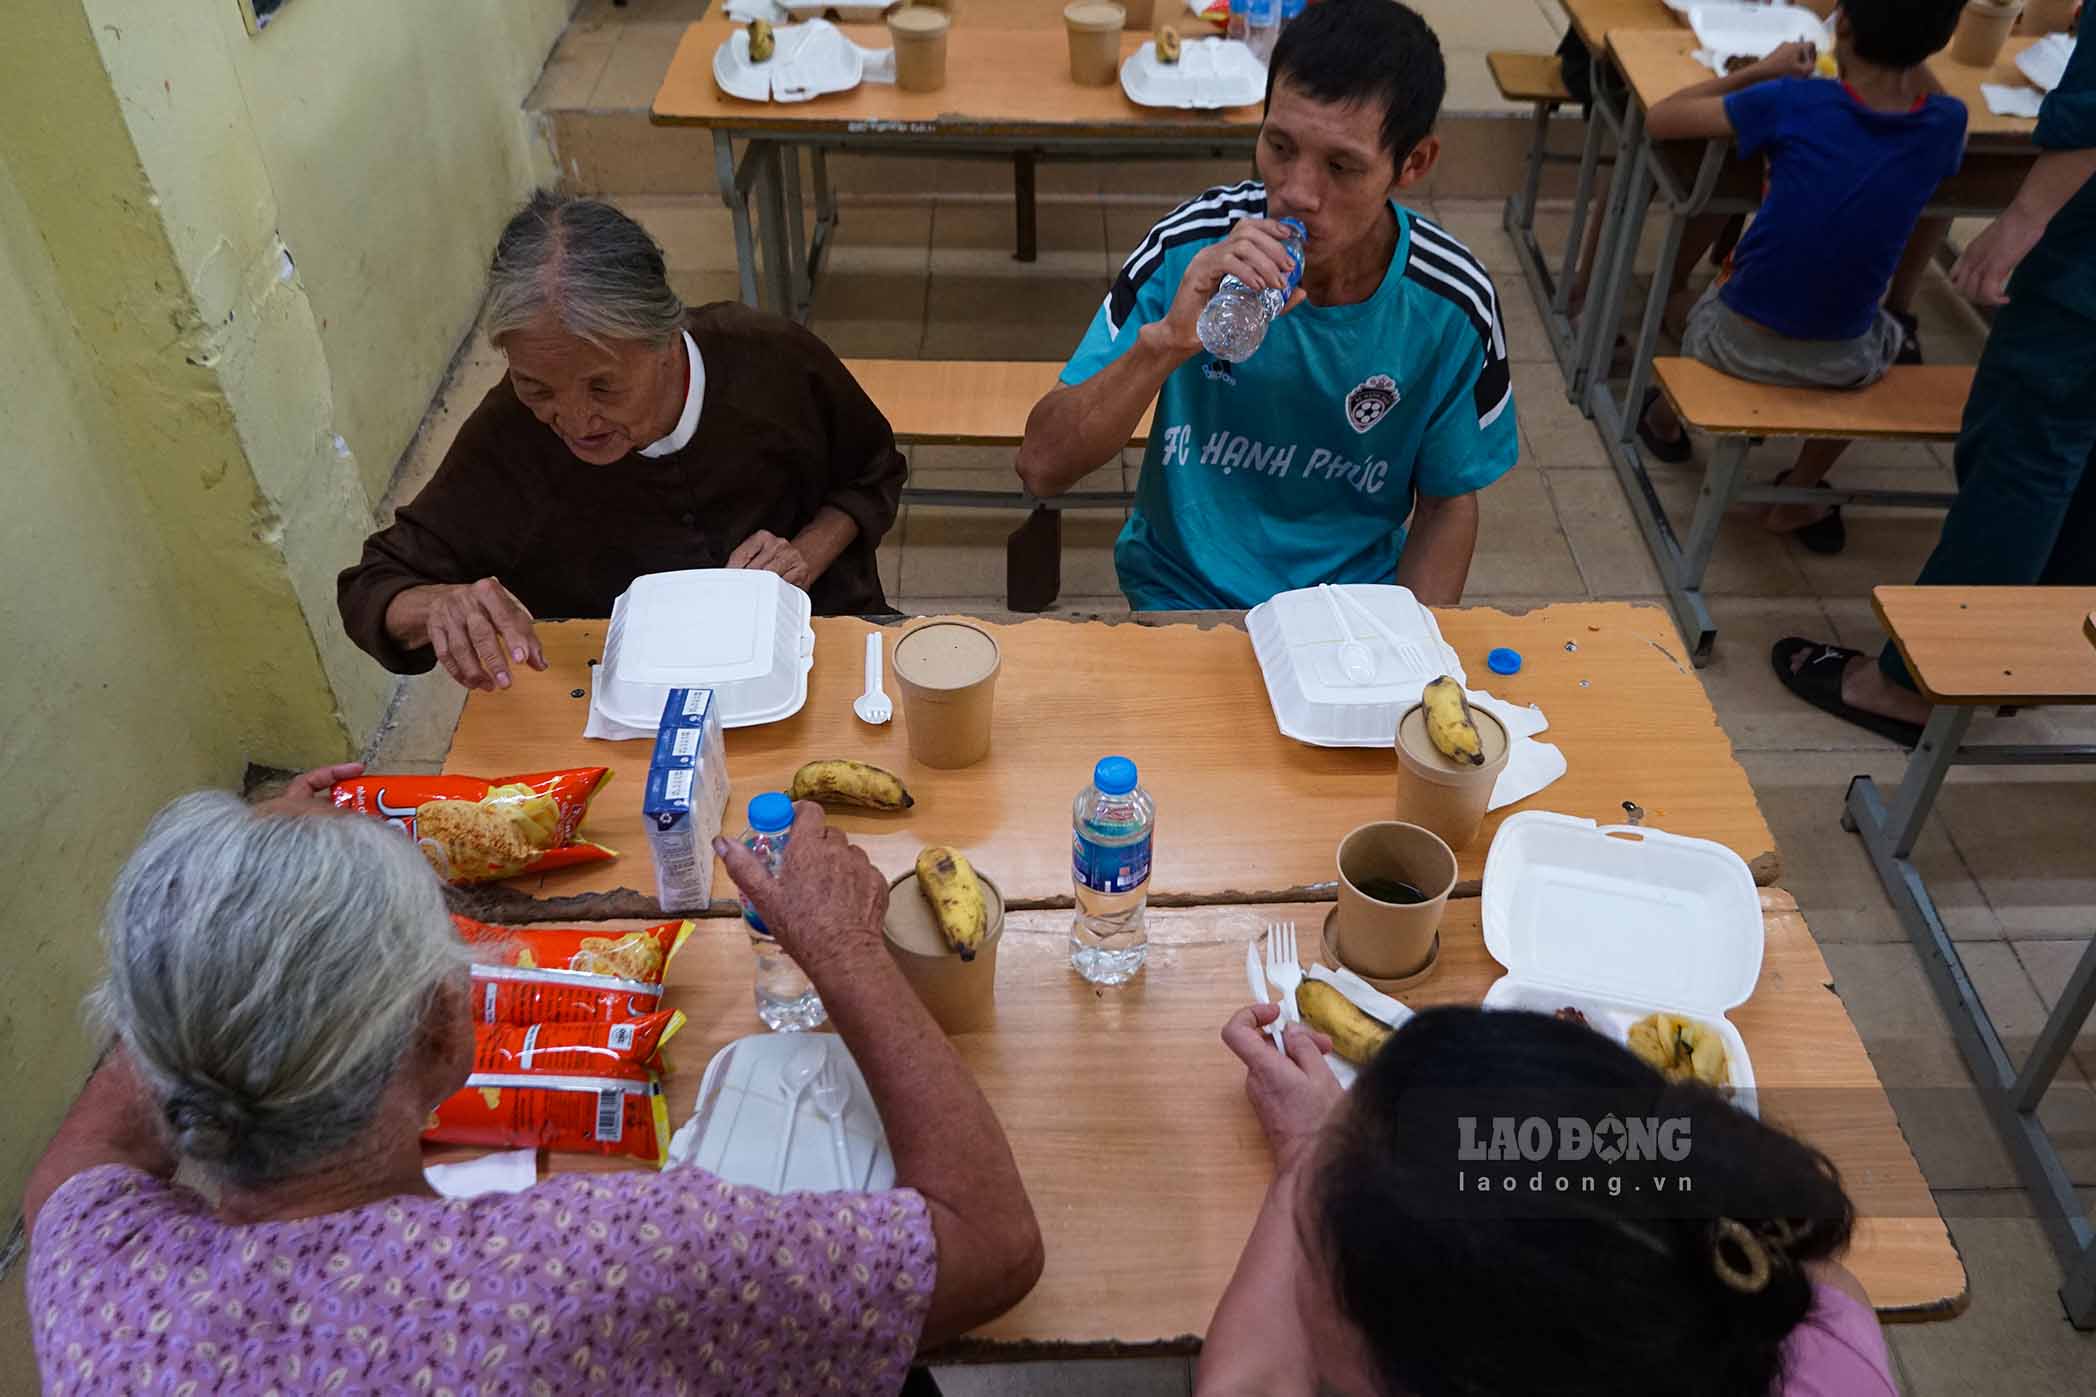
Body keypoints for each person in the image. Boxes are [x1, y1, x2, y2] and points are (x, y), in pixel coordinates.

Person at [24, 779, 1042, 1394]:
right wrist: (844, 948)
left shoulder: (97, 1279)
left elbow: (88, 1158)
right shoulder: (590, 1264)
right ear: (437, 1026)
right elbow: (989, 1245)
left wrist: (220, 921)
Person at [1014, 0, 1518, 611]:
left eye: (1341, 166)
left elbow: (1446, 503)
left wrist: (1402, 652)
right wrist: (1170, 339)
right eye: (1279, 147)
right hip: (1182, 597)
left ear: (1413, 163)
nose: (1297, 193)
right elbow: (1042, 466)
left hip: (1349, 611)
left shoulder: (1451, 303)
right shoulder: (1189, 248)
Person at [338, 192, 906, 692]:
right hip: (630, 705)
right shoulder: (510, 434)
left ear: (664, 339)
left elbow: (871, 470)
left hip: (820, 645)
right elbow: (373, 584)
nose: (574, 419)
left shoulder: (769, 360)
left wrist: (804, 557)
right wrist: (438, 605)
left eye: (604, 386)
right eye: (536, 387)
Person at [1199, 1004, 1892, 1396]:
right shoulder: (1820, 1332)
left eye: (1313, 1267)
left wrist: (1302, 1165)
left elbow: (1245, 1385)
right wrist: (1331, 1146)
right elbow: (1833, 1280)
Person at [1777, 18, 2096, 743]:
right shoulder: (1940, 118)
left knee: (2026, 457)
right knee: (2078, 451)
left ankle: (1913, 685)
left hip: (2084, 274)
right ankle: (2032, 652)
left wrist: (2023, 218)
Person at [1634, 0, 1969, 556]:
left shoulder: (1793, 101)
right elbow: (1939, 99)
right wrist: (1915, 50)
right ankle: (1800, 490)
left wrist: (1762, 69)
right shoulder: (1944, 124)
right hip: (1843, 363)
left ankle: (1665, 421)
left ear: (1841, 25)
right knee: (1882, 329)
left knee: (1706, 301)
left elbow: (1661, 119)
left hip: (1728, 345)